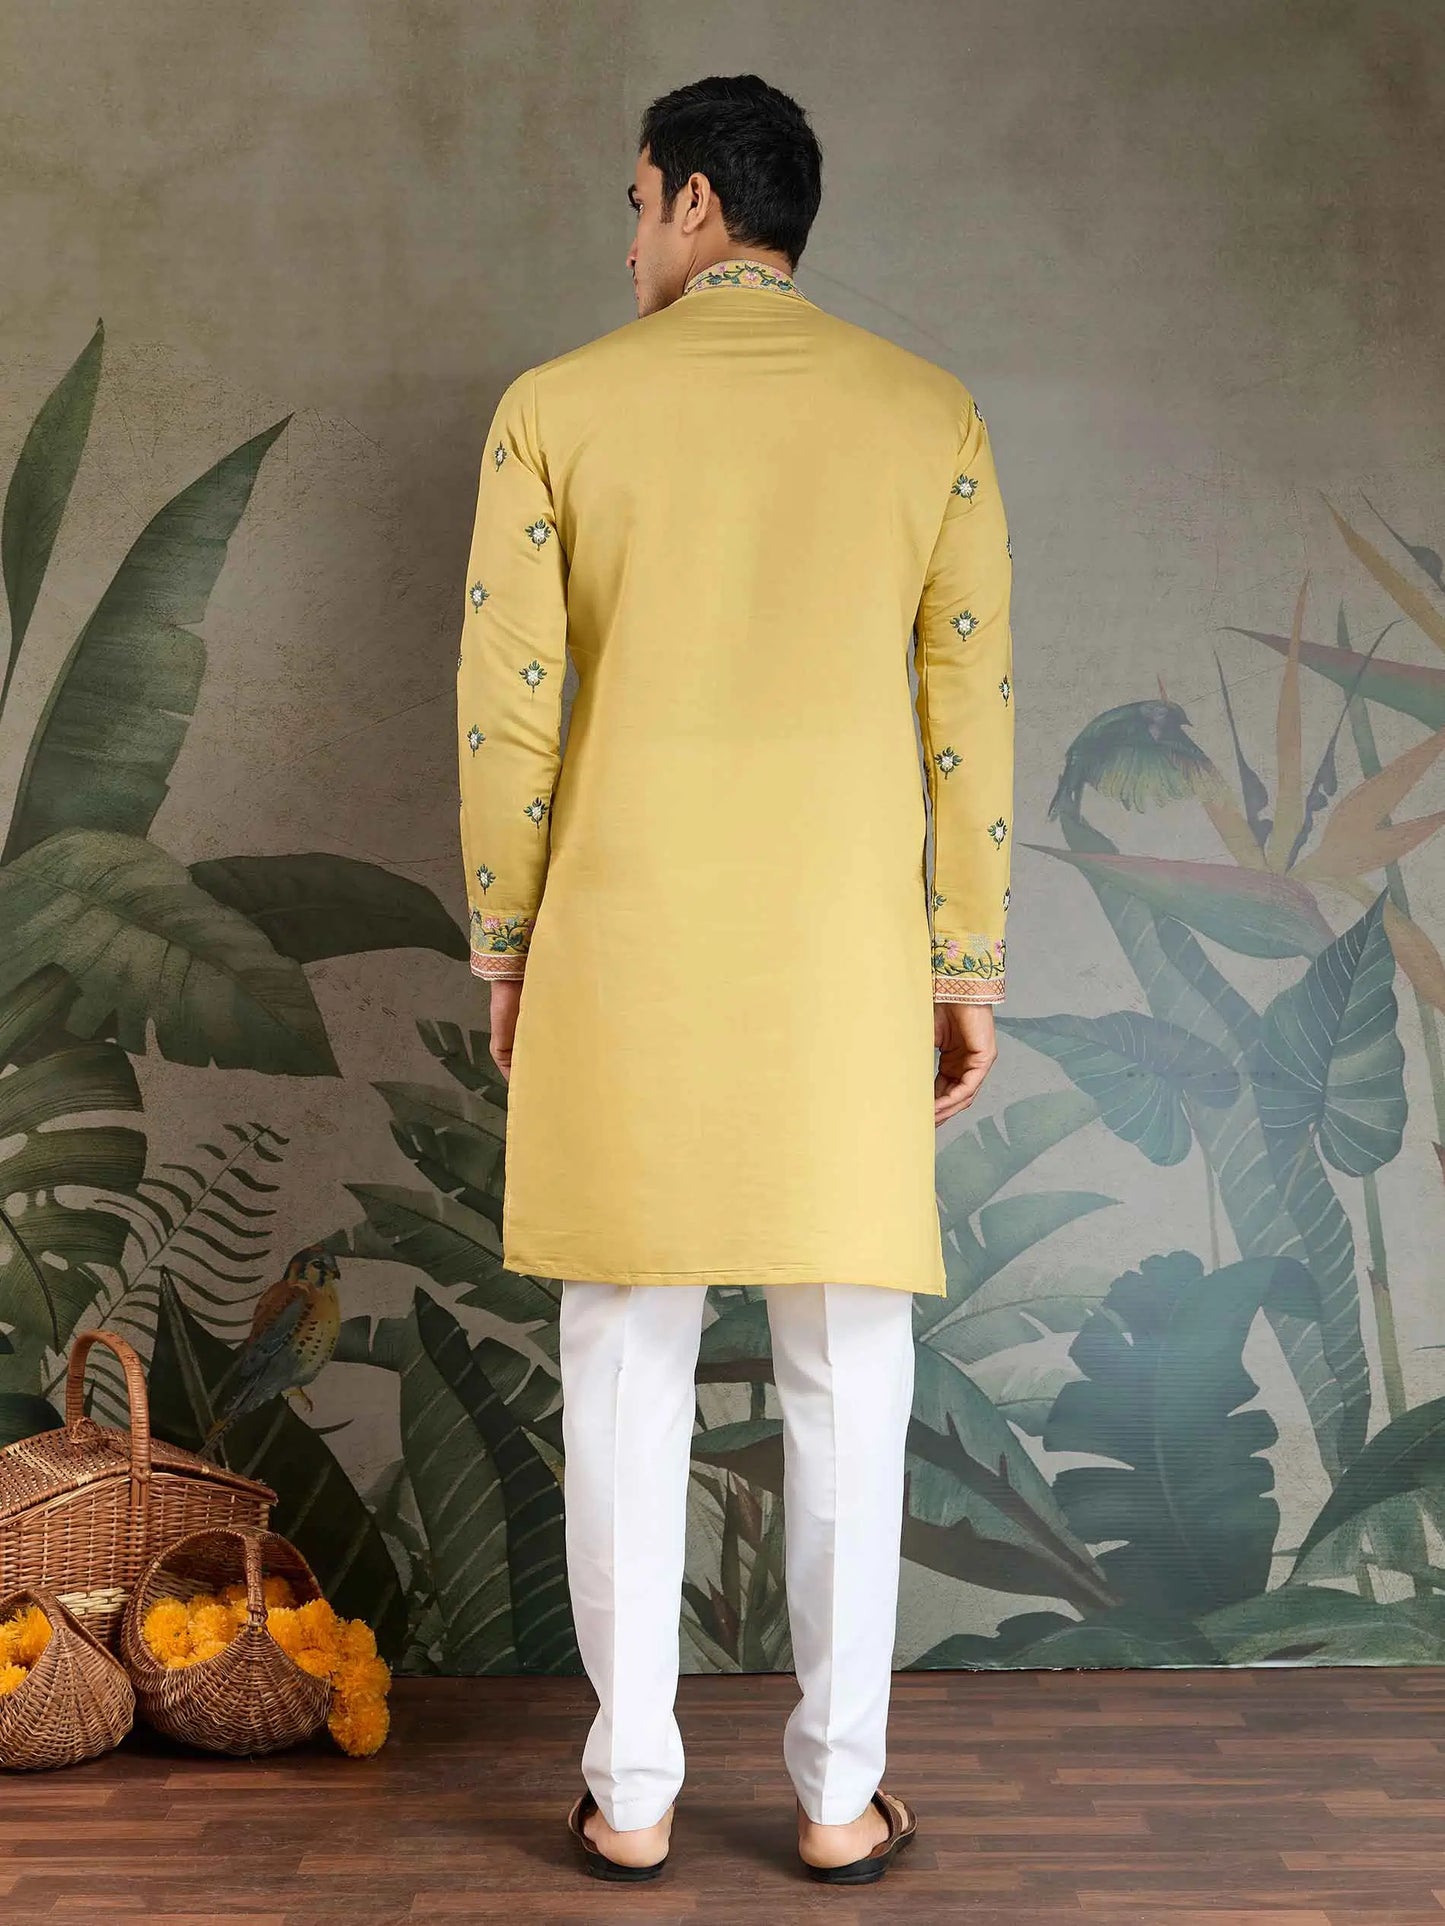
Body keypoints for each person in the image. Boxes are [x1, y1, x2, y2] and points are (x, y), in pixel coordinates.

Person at [455, 72, 1013, 1886]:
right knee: (850, 1359)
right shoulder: (927, 414)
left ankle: (629, 1794)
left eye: (636, 204)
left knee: (624, 1356)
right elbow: (966, 716)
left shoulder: (554, 411)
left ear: (697, 202)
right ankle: (839, 1797)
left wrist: (507, 942)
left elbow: (507, 713)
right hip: (844, 957)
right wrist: (965, 961)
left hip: (623, 947)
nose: (627, 242)